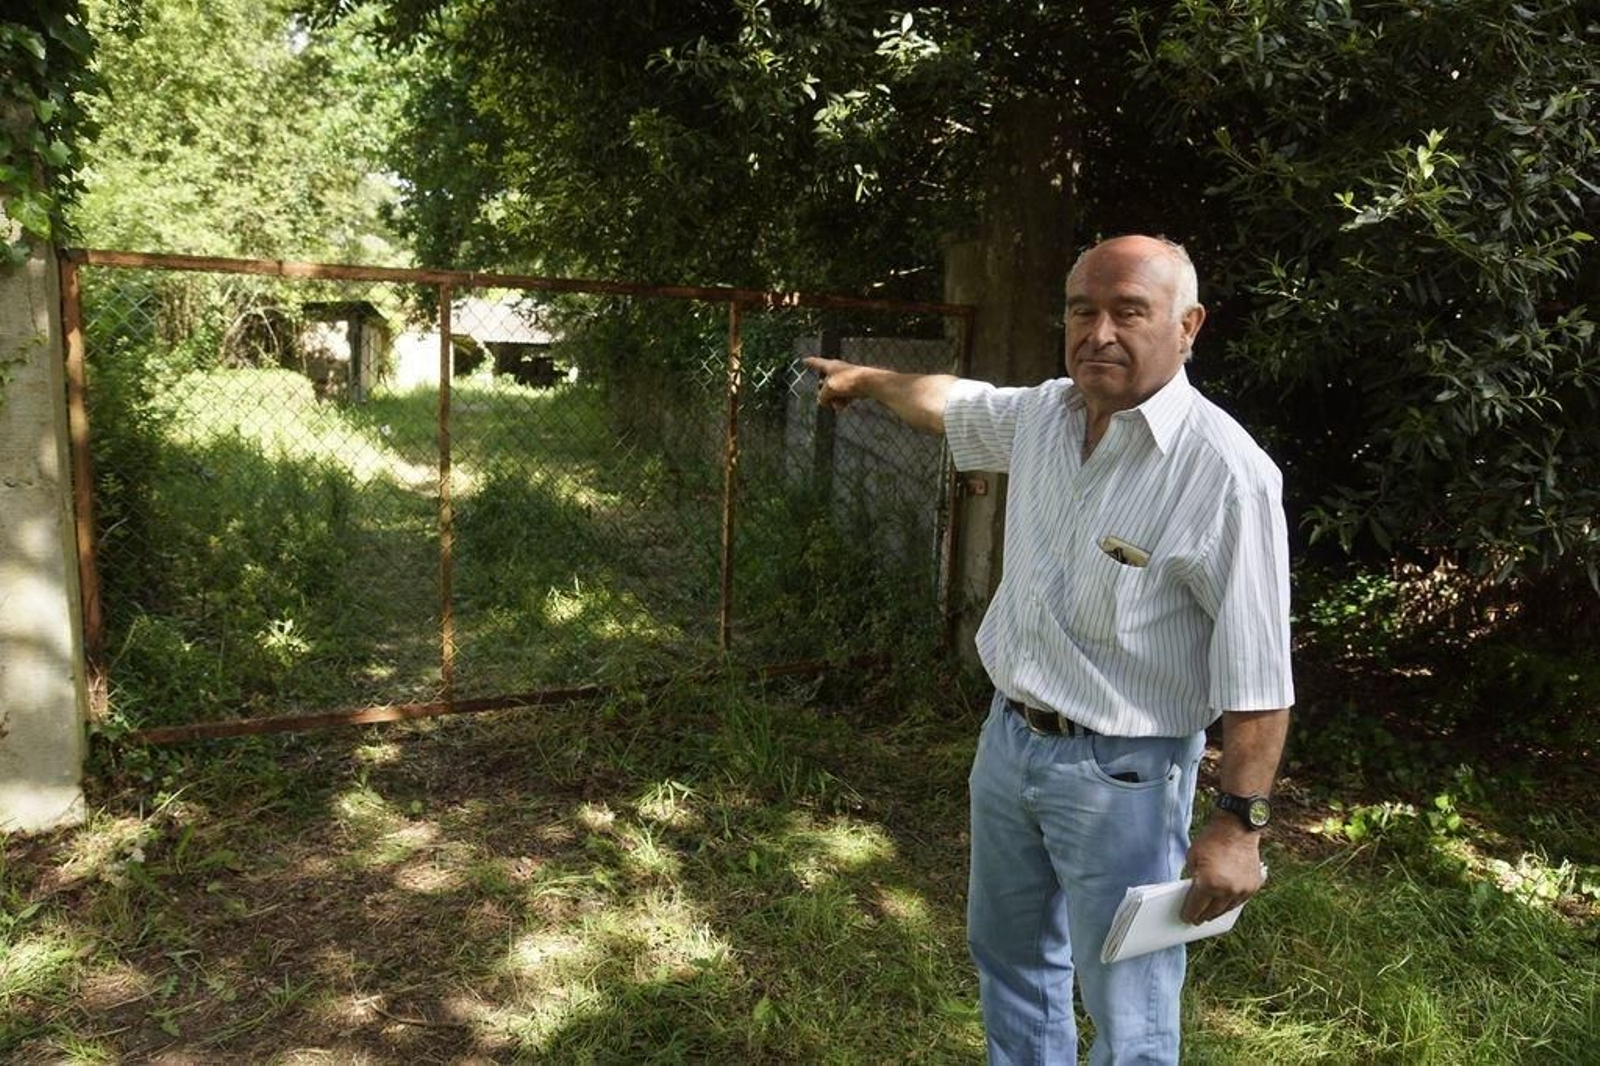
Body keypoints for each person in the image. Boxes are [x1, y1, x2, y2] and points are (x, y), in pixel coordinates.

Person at [803, 234, 1293, 1064]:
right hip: (1010, 741)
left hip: (1127, 775)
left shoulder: (1225, 474)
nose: (1099, 332)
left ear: (1188, 326)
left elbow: (1260, 676)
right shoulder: (1044, 417)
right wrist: (870, 380)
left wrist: (1238, 825)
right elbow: (953, 401)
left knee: (1127, 1004)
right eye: (1082, 310)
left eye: (1129, 311)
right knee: (1012, 960)